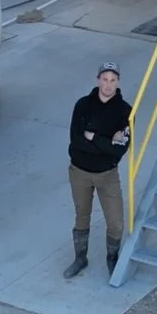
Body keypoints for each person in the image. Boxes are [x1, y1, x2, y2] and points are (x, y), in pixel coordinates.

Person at [63, 61, 132, 279]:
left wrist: (92, 137)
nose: (108, 85)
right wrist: (107, 142)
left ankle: (112, 259)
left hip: (107, 175)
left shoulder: (125, 112)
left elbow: (119, 151)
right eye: (104, 79)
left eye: (113, 80)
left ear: (118, 82)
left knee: (116, 223)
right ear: (98, 79)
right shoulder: (82, 105)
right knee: (82, 215)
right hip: (79, 172)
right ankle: (80, 258)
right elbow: (75, 141)